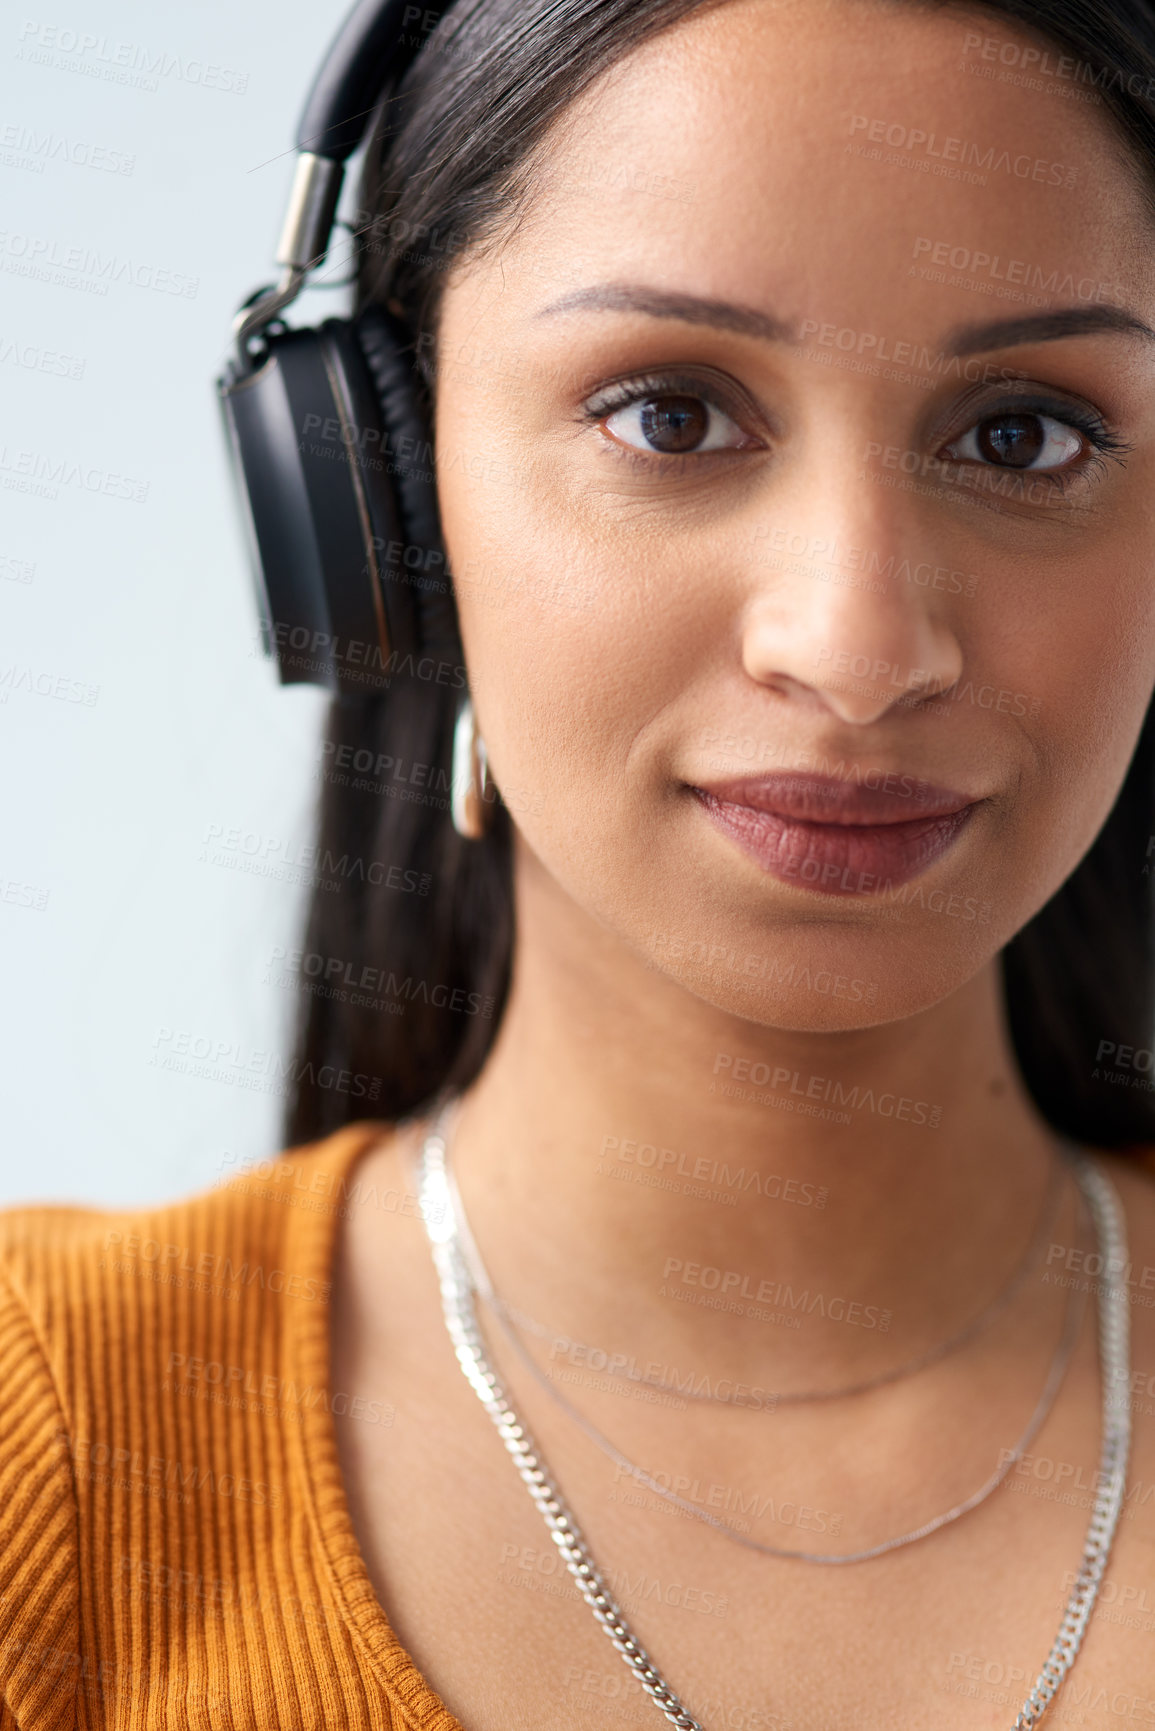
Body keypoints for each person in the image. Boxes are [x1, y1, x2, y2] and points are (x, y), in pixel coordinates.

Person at [3, 0, 1155, 1724]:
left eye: (1024, 436)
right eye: (672, 415)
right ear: (383, 505)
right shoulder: (56, 1430)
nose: (856, 646)